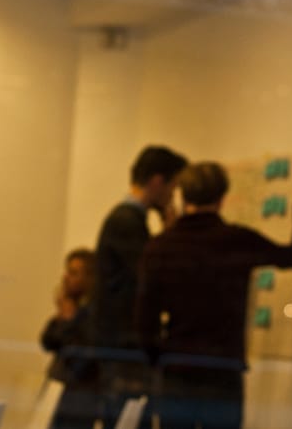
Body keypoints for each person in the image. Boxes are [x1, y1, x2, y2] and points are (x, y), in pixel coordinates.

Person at [137, 162, 292, 429]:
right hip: (223, 367)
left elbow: (144, 321)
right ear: (221, 198)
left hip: (177, 368)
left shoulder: (160, 247)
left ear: (183, 197)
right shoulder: (236, 240)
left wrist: (159, 359)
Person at [87, 145, 188, 428]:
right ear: (157, 182)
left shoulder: (127, 220)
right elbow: (151, 277)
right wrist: (170, 236)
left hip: (120, 348)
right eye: (172, 187)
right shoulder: (126, 222)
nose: (172, 197)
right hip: (123, 349)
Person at [40, 249, 98, 429]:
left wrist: (69, 321)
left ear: (90, 278)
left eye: (73, 273)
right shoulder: (72, 309)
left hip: (78, 400)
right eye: (67, 271)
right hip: (57, 393)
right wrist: (61, 317)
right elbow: (48, 342)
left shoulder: (94, 314)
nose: (66, 277)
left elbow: (80, 360)